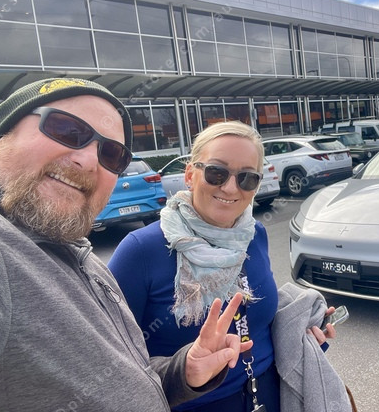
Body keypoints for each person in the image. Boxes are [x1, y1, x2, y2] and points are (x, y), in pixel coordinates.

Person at [0, 78, 252, 412]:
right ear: (1, 134)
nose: (88, 161)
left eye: (111, 154)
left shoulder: (81, 259)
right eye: (67, 131)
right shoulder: (3, 250)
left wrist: (183, 370)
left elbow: (128, 373)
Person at [107, 121, 338, 412]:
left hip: (271, 395)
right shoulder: (141, 251)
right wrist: (185, 368)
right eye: (216, 172)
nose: (230, 187)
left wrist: (302, 336)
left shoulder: (254, 234)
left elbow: (257, 323)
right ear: (190, 175)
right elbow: (110, 360)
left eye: (247, 178)